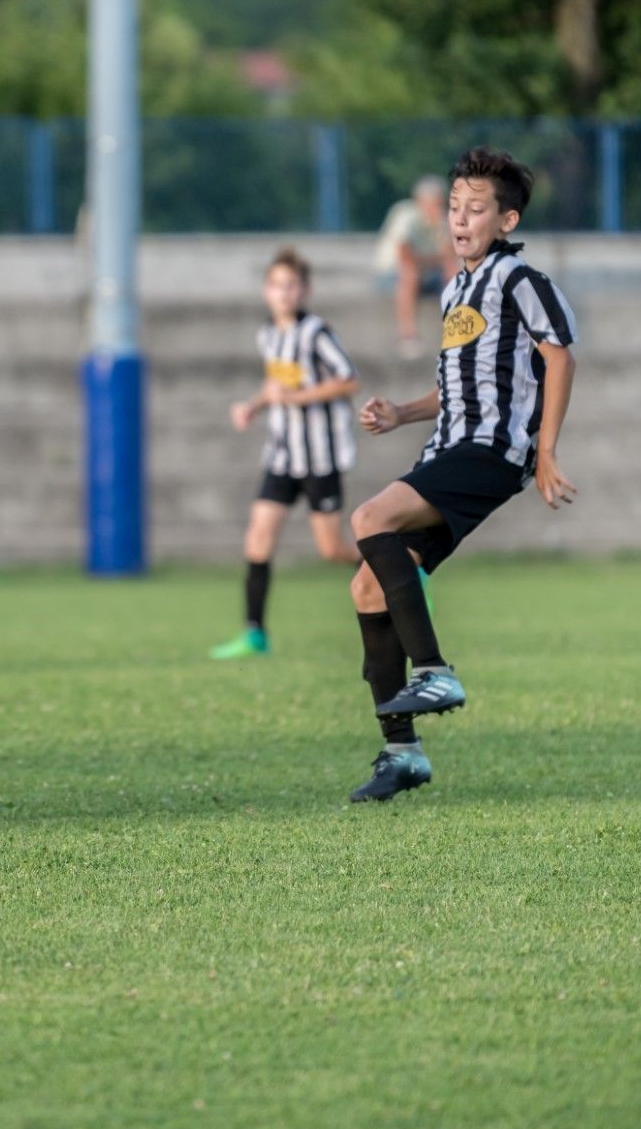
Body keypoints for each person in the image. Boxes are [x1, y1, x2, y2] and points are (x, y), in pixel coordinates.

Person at [347, 148, 580, 802]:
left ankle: (434, 670)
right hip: (449, 445)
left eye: (476, 209)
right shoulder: (453, 288)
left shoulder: (520, 279)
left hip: (491, 451)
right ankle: (403, 752)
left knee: (368, 519)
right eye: (453, 206)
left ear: (505, 220)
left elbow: (559, 359)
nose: (459, 217)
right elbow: (458, 387)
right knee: (368, 588)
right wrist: (402, 412)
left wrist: (548, 450)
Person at [209, 246, 362, 660]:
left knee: (331, 549)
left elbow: (348, 380)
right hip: (281, 454)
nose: (284, 293)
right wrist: (253, 406)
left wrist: (300, 397)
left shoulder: (316, 333)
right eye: (277, 285)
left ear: (305, 290)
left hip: (320, 456)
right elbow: (276, 385)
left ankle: (401, 572)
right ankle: (254, 632)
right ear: (266, 291)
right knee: (257, 539)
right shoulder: (268, 335)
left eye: (292, 286)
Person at [375, 176, 457, 360]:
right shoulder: (406, 214)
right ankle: (408, 336)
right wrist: (435, 259)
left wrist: (444, 228)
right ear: (420, 201)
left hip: (427, 273)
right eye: (433, 203)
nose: (436, 208)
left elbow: (451, 256)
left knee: (456, 273)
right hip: (392, 275)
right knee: (410, 273)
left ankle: (460, 334)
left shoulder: (445, 219)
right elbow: (405, 256)